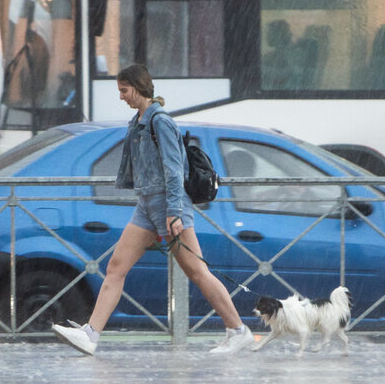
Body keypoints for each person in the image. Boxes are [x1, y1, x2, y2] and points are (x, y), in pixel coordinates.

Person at [52, 64, 254, 356]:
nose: (121, 97)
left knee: (197, 271)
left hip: (169, 206)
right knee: (116, 267)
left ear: (139, 87)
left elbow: (174, 170)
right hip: (147, 206)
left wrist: (173, 212)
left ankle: (238, 331)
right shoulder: (139, 121)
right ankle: (90, 334)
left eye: (124, 90)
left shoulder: (161, 122)